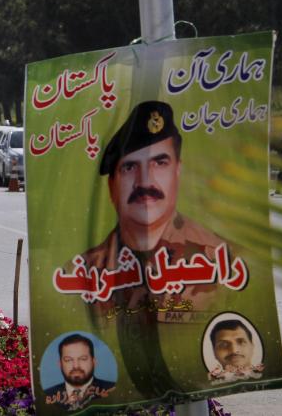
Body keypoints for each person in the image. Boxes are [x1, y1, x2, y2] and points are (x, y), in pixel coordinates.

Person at [81, 100, 229, 316]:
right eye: (129, 167)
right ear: (112, 184)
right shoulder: (82, 272)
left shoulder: (224, 261)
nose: (144, 182)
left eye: (160, 163)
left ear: (178, 171)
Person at [43, 334, 115, 411]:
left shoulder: (111, 390)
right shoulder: (48, 395)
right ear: (60, 364)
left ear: (94, 362)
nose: (76, 366)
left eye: (83, 359)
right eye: (68, 360)